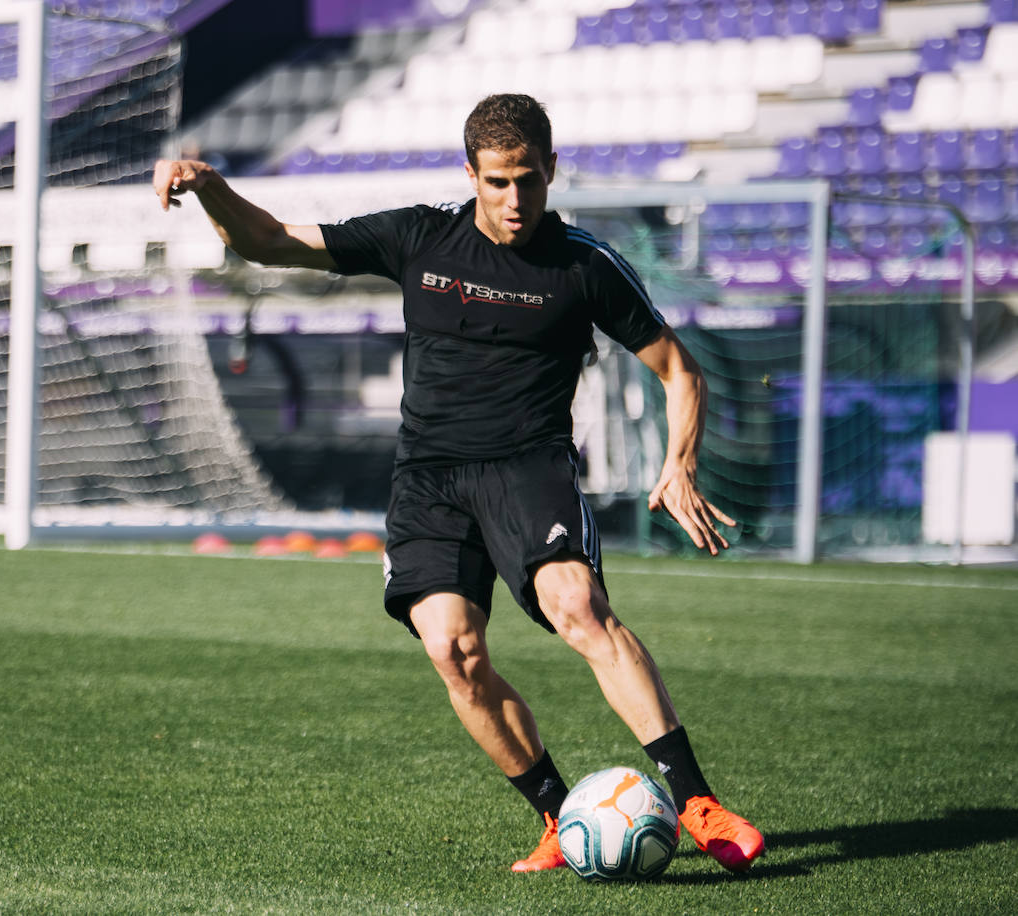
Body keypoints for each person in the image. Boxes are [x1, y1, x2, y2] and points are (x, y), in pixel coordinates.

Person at [152, 93, 764, 874]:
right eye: (500, 182)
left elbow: (678, 368)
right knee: (455, 652)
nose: (517, 201)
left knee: (578, 607)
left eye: (532, 181)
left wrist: (677, 463)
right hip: (430, 480)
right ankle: (557, 817)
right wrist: (210, 188)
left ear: (552, 169)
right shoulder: (419, 236)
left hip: (529, 467)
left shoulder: (584, 265)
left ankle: (697, 803)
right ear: (471, 173)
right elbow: (270, 242)